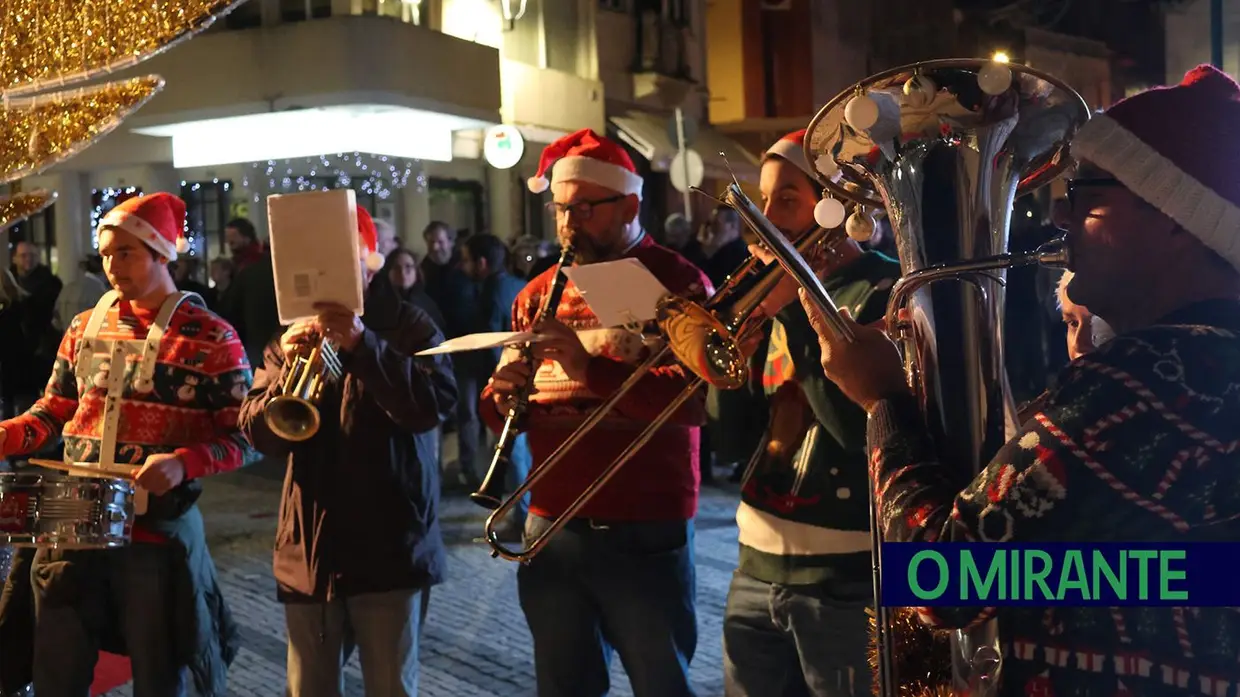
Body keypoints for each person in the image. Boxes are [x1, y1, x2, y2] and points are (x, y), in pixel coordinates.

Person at [799, 65, 1240, 696]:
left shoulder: (1141, 378)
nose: (1059, 212)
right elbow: (1198, 573)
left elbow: (944, 581)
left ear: (1175, 217)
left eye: (1087, 193)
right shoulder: (1207, 361)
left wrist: (884, 400)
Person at [482, 128, 712, 697]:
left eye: (584, 209)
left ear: (630, 204)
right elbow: (504, 408)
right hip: (551, 519)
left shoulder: (677, 282)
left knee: (661, 682)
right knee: (563, 686)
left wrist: (589, 369)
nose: (567, 225)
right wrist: (499, 396)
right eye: (560, 210)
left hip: (643, 522)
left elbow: (692, 400)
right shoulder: (536, 293)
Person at [0, 192, 252, 697]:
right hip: (70, 527)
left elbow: (247, 436)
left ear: (162, 254)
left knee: (162, 678)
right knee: (55, 672)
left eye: (127, 254)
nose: (113, 267)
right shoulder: (84, 325)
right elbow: (55, 410)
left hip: (154, 538)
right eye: (107, 253)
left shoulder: (211, 337)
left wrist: (186, 462)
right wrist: (7, 435)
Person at [238, 206, 457, 697]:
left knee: (390, 687)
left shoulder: (408, 325)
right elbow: (257, 431)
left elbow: (432, 406)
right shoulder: (289, 338)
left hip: (389, 547)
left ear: (367, 263)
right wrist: (282, 380)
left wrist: (365, 347)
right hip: (310, 551)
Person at [723, 129, 899, 697]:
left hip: (845, 574)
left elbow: (859, 429)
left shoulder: (884, 290)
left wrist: (796, 314)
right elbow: (729, 443)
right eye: (764, 200)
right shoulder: (767, 292)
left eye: (787, 201)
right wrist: (728, 364)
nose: (767, 217)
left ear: (835, 207)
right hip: (755, 563)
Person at [460, 233, 531, 537]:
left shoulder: (491, 291)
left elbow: (490, 341)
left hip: (505, 383)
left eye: (466, 259)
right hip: (523, 377)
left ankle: (523, 516)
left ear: (482, 263)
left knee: (512, 453)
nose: (463, 266)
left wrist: (495, 383)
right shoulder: (516, 285)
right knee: (520, 452)